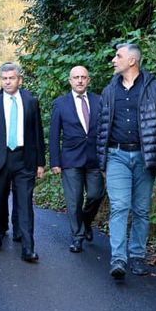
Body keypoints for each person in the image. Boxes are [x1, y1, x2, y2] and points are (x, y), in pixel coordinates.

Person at [97, 42, 156, 279]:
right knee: (120, 206)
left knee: (142, 209)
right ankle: (118, 259)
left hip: (145, 156)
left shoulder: (154, 88)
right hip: (116, 155)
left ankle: (136, 256)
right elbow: (101, 128)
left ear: (132, 61)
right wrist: (101, 160)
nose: (114, 59)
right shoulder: (109, 90)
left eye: (118, 56)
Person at [0, 63, 45, 263]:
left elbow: (37, 133)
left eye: (11, 78)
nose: (7, 81)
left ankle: (28, 246)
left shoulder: (31, 101)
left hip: (24, 159)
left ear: (19, 79)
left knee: (24, 203)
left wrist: (40, 162)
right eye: (4, 78)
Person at [49, 65, 104, 254]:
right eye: (76, 77)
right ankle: (78, 236)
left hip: (95, 158)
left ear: (88, 80)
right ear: (70, 80)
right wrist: (55, 162)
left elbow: (105, 131)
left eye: (83, 77)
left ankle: (86, 221)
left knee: (96, 195)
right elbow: (55, 134)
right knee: (74, 200)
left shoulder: (99, 101)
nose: (80, 80)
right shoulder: (60, 103)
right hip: (71, 159)